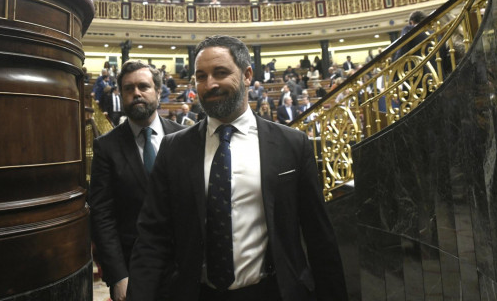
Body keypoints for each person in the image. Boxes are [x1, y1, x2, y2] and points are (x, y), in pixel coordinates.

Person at [127, 35, 347, 301]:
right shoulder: (174, 149)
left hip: (273, 292)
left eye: (221, 73)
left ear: (247, 74)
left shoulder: (291, 144)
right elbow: (152, 237)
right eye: (201, 76)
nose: (210, 84)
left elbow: (319, 236)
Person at [89, 60, 184, 301]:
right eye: (129, 89)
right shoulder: (106, 146)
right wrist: (118, 275)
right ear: (121, 94)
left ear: (158, 91)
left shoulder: (183, 138)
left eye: (143, 86)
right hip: (134, 270)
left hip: (185, 266)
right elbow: (102, 216)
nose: (136, 93)